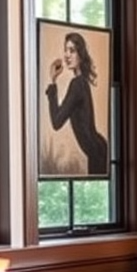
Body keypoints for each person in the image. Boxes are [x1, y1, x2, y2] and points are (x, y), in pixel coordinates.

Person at [44, 30, 109, 176]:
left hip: (97, 153)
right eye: (65, 50)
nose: (67, 55)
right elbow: (58, 120)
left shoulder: (77, 85)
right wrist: (53, 82)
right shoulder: (81, 83)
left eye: (72, 51)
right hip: (98, 150)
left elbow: (56, 122)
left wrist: (52, 82)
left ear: (80, 54)